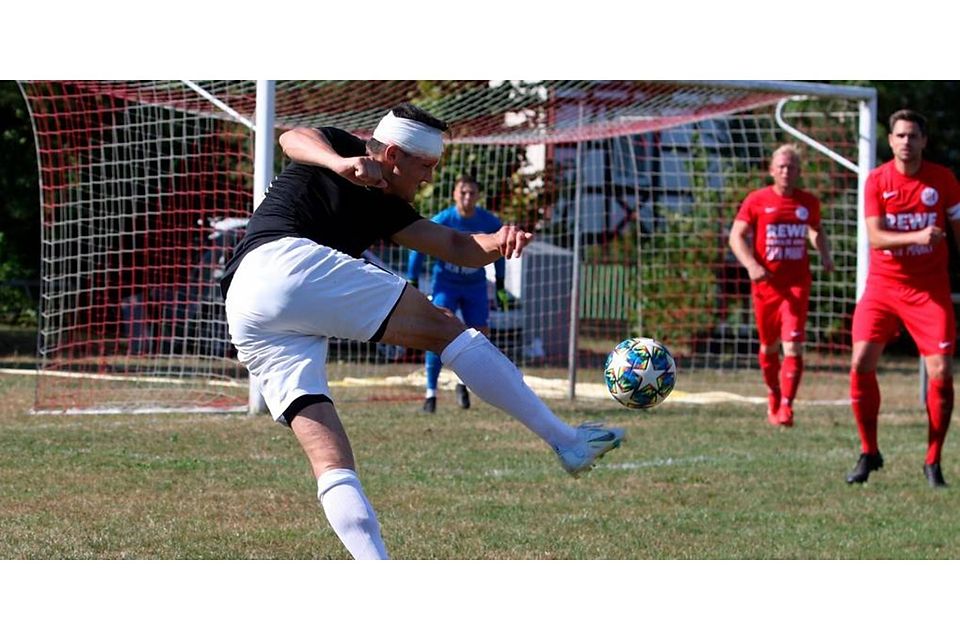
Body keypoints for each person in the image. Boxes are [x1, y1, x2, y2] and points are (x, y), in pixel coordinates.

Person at [219, 103, 625, 559]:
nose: (429, 178)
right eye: (426, 166)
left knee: (331, 461)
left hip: (246, 305)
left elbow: (455, 245)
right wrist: (341, 163)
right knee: (445, 329)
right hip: (285, 263)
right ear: (393, 154)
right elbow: (291, 137)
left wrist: (501, 240)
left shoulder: (388, 204)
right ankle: (567, 441)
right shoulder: (341, 145)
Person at [846, 109, 960, 488]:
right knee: (861, 361)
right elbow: (876, 237)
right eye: (900, 136)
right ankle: (869, 451)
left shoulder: (943, 180)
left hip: (929, 291)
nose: (906, 142)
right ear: (891, 141)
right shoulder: (877, 181)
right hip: (883, 287)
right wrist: (917, 237)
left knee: (942, 372)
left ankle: (932, 461)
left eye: (913, 136)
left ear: (924, 141)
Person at [729, 143, 835, 428]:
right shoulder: (757, 200)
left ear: (799, 171)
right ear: (772, 170)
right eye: (782, 167)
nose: (787, 171)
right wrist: (752, 265)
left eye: (792, 167)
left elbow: (816, 229)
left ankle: (787, 406)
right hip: (766, 287)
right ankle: (773, 393)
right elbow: (736, 236)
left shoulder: (808, 202)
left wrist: (824, 253)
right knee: (768, 346)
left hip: (797, 285)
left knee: (794, 346)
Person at [406, 174, 509, 413]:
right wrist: (413, 278)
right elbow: (418, 248)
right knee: (436, 332)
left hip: (475, 286)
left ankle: (463, 384)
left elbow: (499, 250)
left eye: (472, 193)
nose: (467, 197)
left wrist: (501, 285)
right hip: (446, 284)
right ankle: (431, 394)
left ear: (478, 196)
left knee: (478, 336)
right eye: (463, 192)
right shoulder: (443, 219)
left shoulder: (489, 221)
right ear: (454, 194)